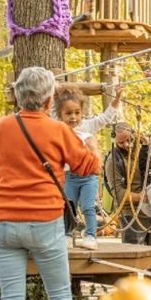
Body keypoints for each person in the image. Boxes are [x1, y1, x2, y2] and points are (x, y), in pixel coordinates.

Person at [0, 67, 100, 300]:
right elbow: (88, 167)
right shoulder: (60, 131)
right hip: (44, 221)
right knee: (59, 297)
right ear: (48, 102)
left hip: (5, 222)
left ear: (19, 96)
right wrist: (90, 146)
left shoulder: (2, 125)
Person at [54, 84, 123, 250]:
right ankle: (68, 234)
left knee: (87, 207)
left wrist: (117, 100)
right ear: (60, 115)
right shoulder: (58, 128)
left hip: (89, 177)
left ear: (82, 113)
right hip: (70, 176)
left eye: (77, 113)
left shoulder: (87, 126)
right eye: (68, 113)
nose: (73, 117)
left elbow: (105, 118)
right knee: (69, 206)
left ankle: (90, 235)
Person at [104, 122, 151, 269]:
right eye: (121, 142)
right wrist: (140, 197)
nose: (126, 144)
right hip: (131, 213)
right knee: (131, 260)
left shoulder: (143, 151)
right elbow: (118, 193)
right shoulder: (113, 160)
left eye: (129, 140)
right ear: (114, 140)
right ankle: (131, 290)